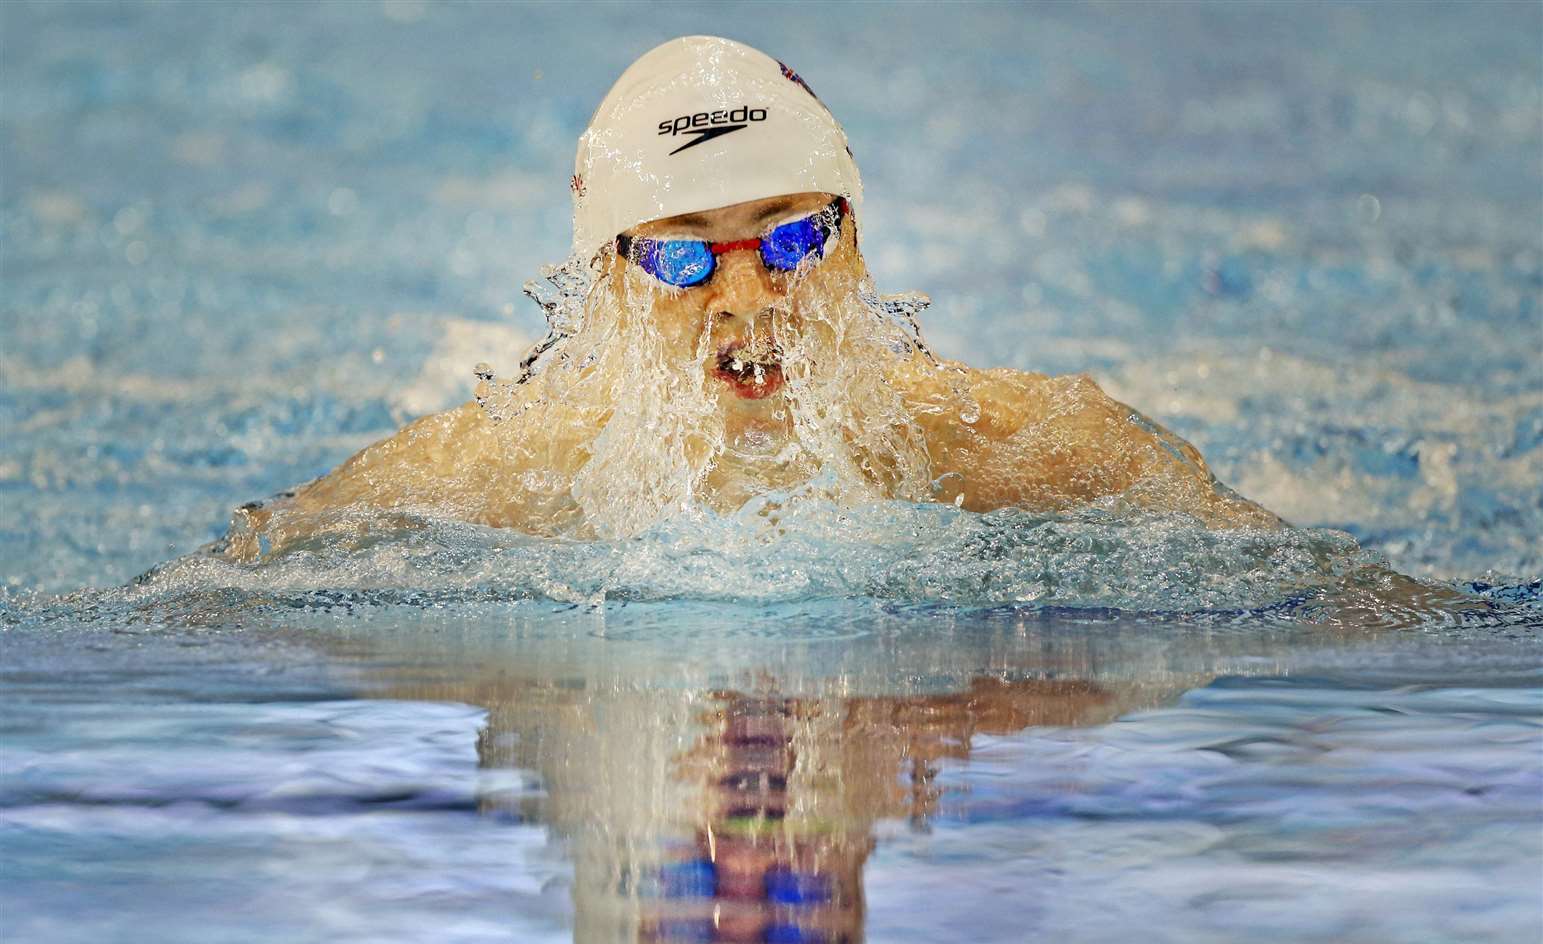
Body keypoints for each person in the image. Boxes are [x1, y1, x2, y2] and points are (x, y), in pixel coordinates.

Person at [221, 36, 1278, 562]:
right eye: (683, 260)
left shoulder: (1021, 447)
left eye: (787, 240)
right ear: (606, 285)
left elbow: (1319, 589)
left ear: (852, 246)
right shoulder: (493, 475)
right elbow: (224, 590)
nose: (744, 299)